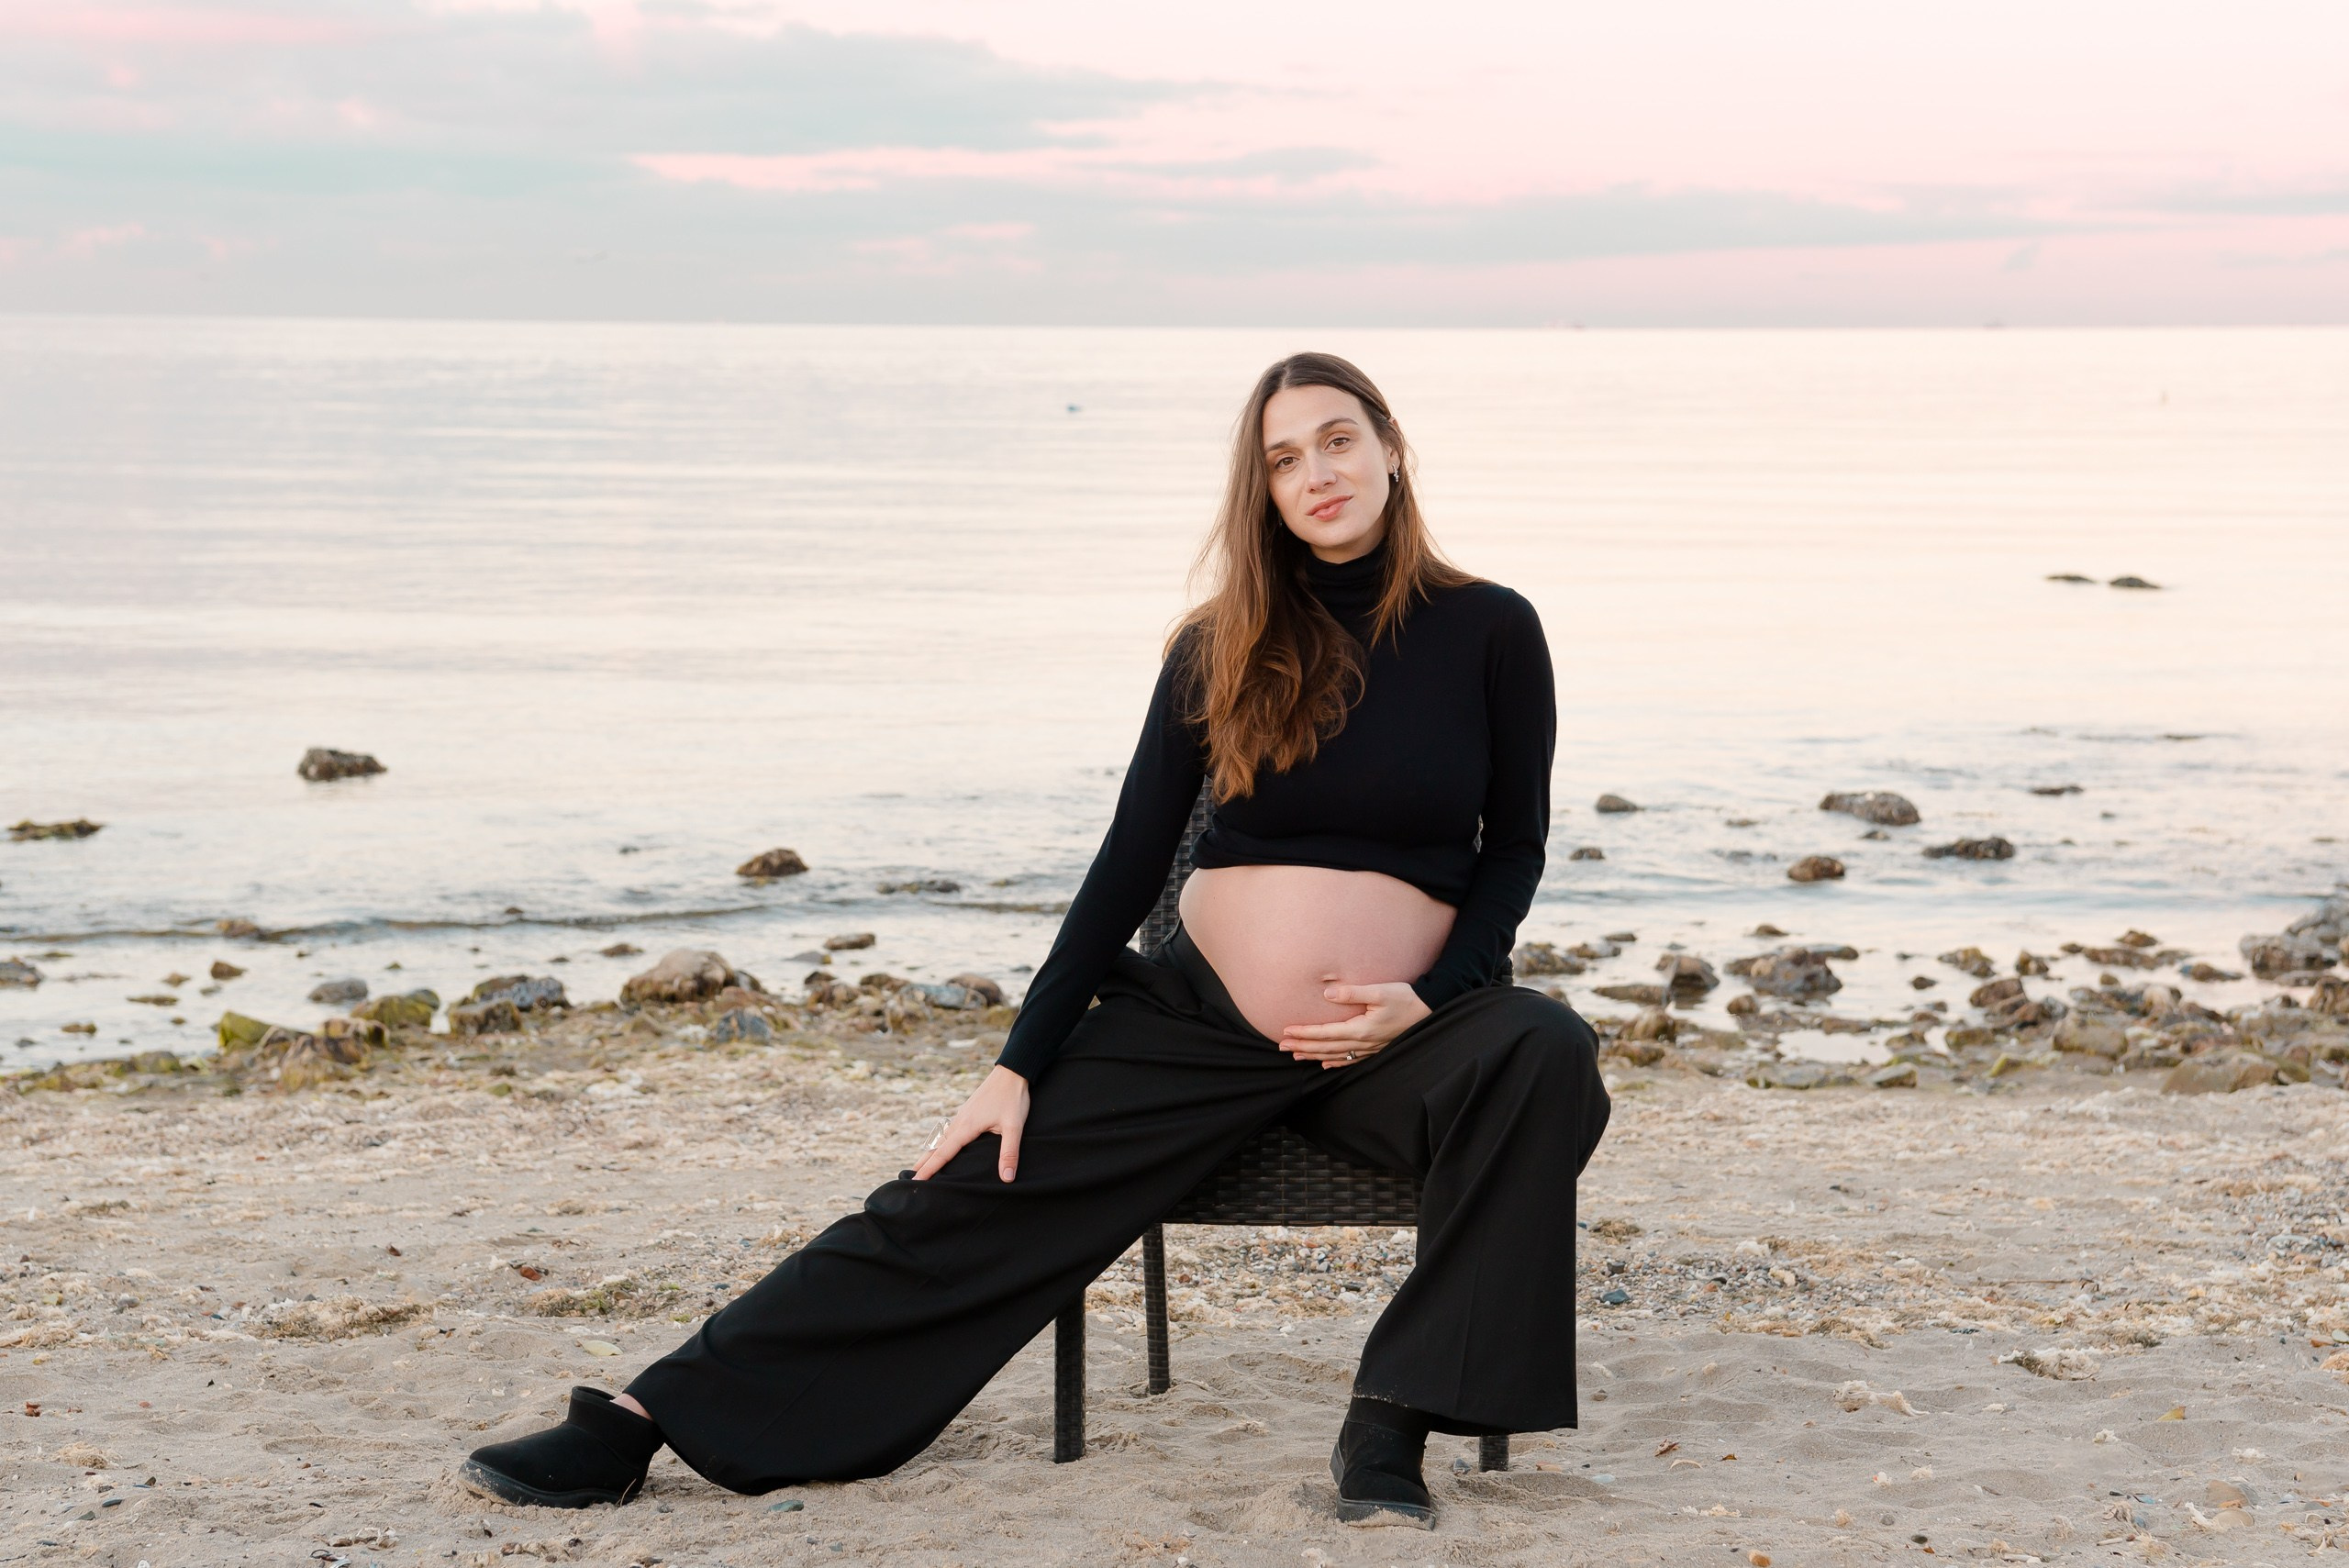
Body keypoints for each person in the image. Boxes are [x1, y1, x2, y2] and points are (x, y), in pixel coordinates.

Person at [460, 351, 1611, 1529]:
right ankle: (645, 1415)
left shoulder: (1492, 629)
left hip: (1393, 1042)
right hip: (1199, 1027)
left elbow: (1513, 850)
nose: (1315, 472)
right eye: (1282, 459)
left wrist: (1432, 998)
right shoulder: (1220, 643)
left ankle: (1389, 1420)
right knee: (960, 1187)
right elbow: (1125, 867)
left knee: (1546, 1049)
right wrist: (1017, 1061)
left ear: (1389, 447)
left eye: (1336, 439)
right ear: (1262, 490)